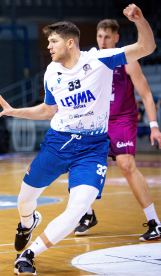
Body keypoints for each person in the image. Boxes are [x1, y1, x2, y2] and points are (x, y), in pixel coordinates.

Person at [0, 4, 156, 275]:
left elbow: (146, 47)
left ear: (70, 43)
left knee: (78, 207)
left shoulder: (101, 59)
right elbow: (48, 110)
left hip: (92, 148)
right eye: (48, 42)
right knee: (24, 200)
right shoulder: (51, 72)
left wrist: (140, 20)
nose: (49, 46)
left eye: (53, 41)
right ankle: (26, 222)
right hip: (58, 143)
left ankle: (29, 255)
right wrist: (15, 111)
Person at [74, 19, 161, 241]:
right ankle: (87, 214)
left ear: (116, 39)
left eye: (107, 37)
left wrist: (153, 126)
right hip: (98, 121)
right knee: (80, 163)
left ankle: (155, 222)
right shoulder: (91, 60)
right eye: (99, 36)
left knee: (125, 165)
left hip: (123, 119)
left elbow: (148, 95)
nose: (103, 41)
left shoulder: (128, 61)